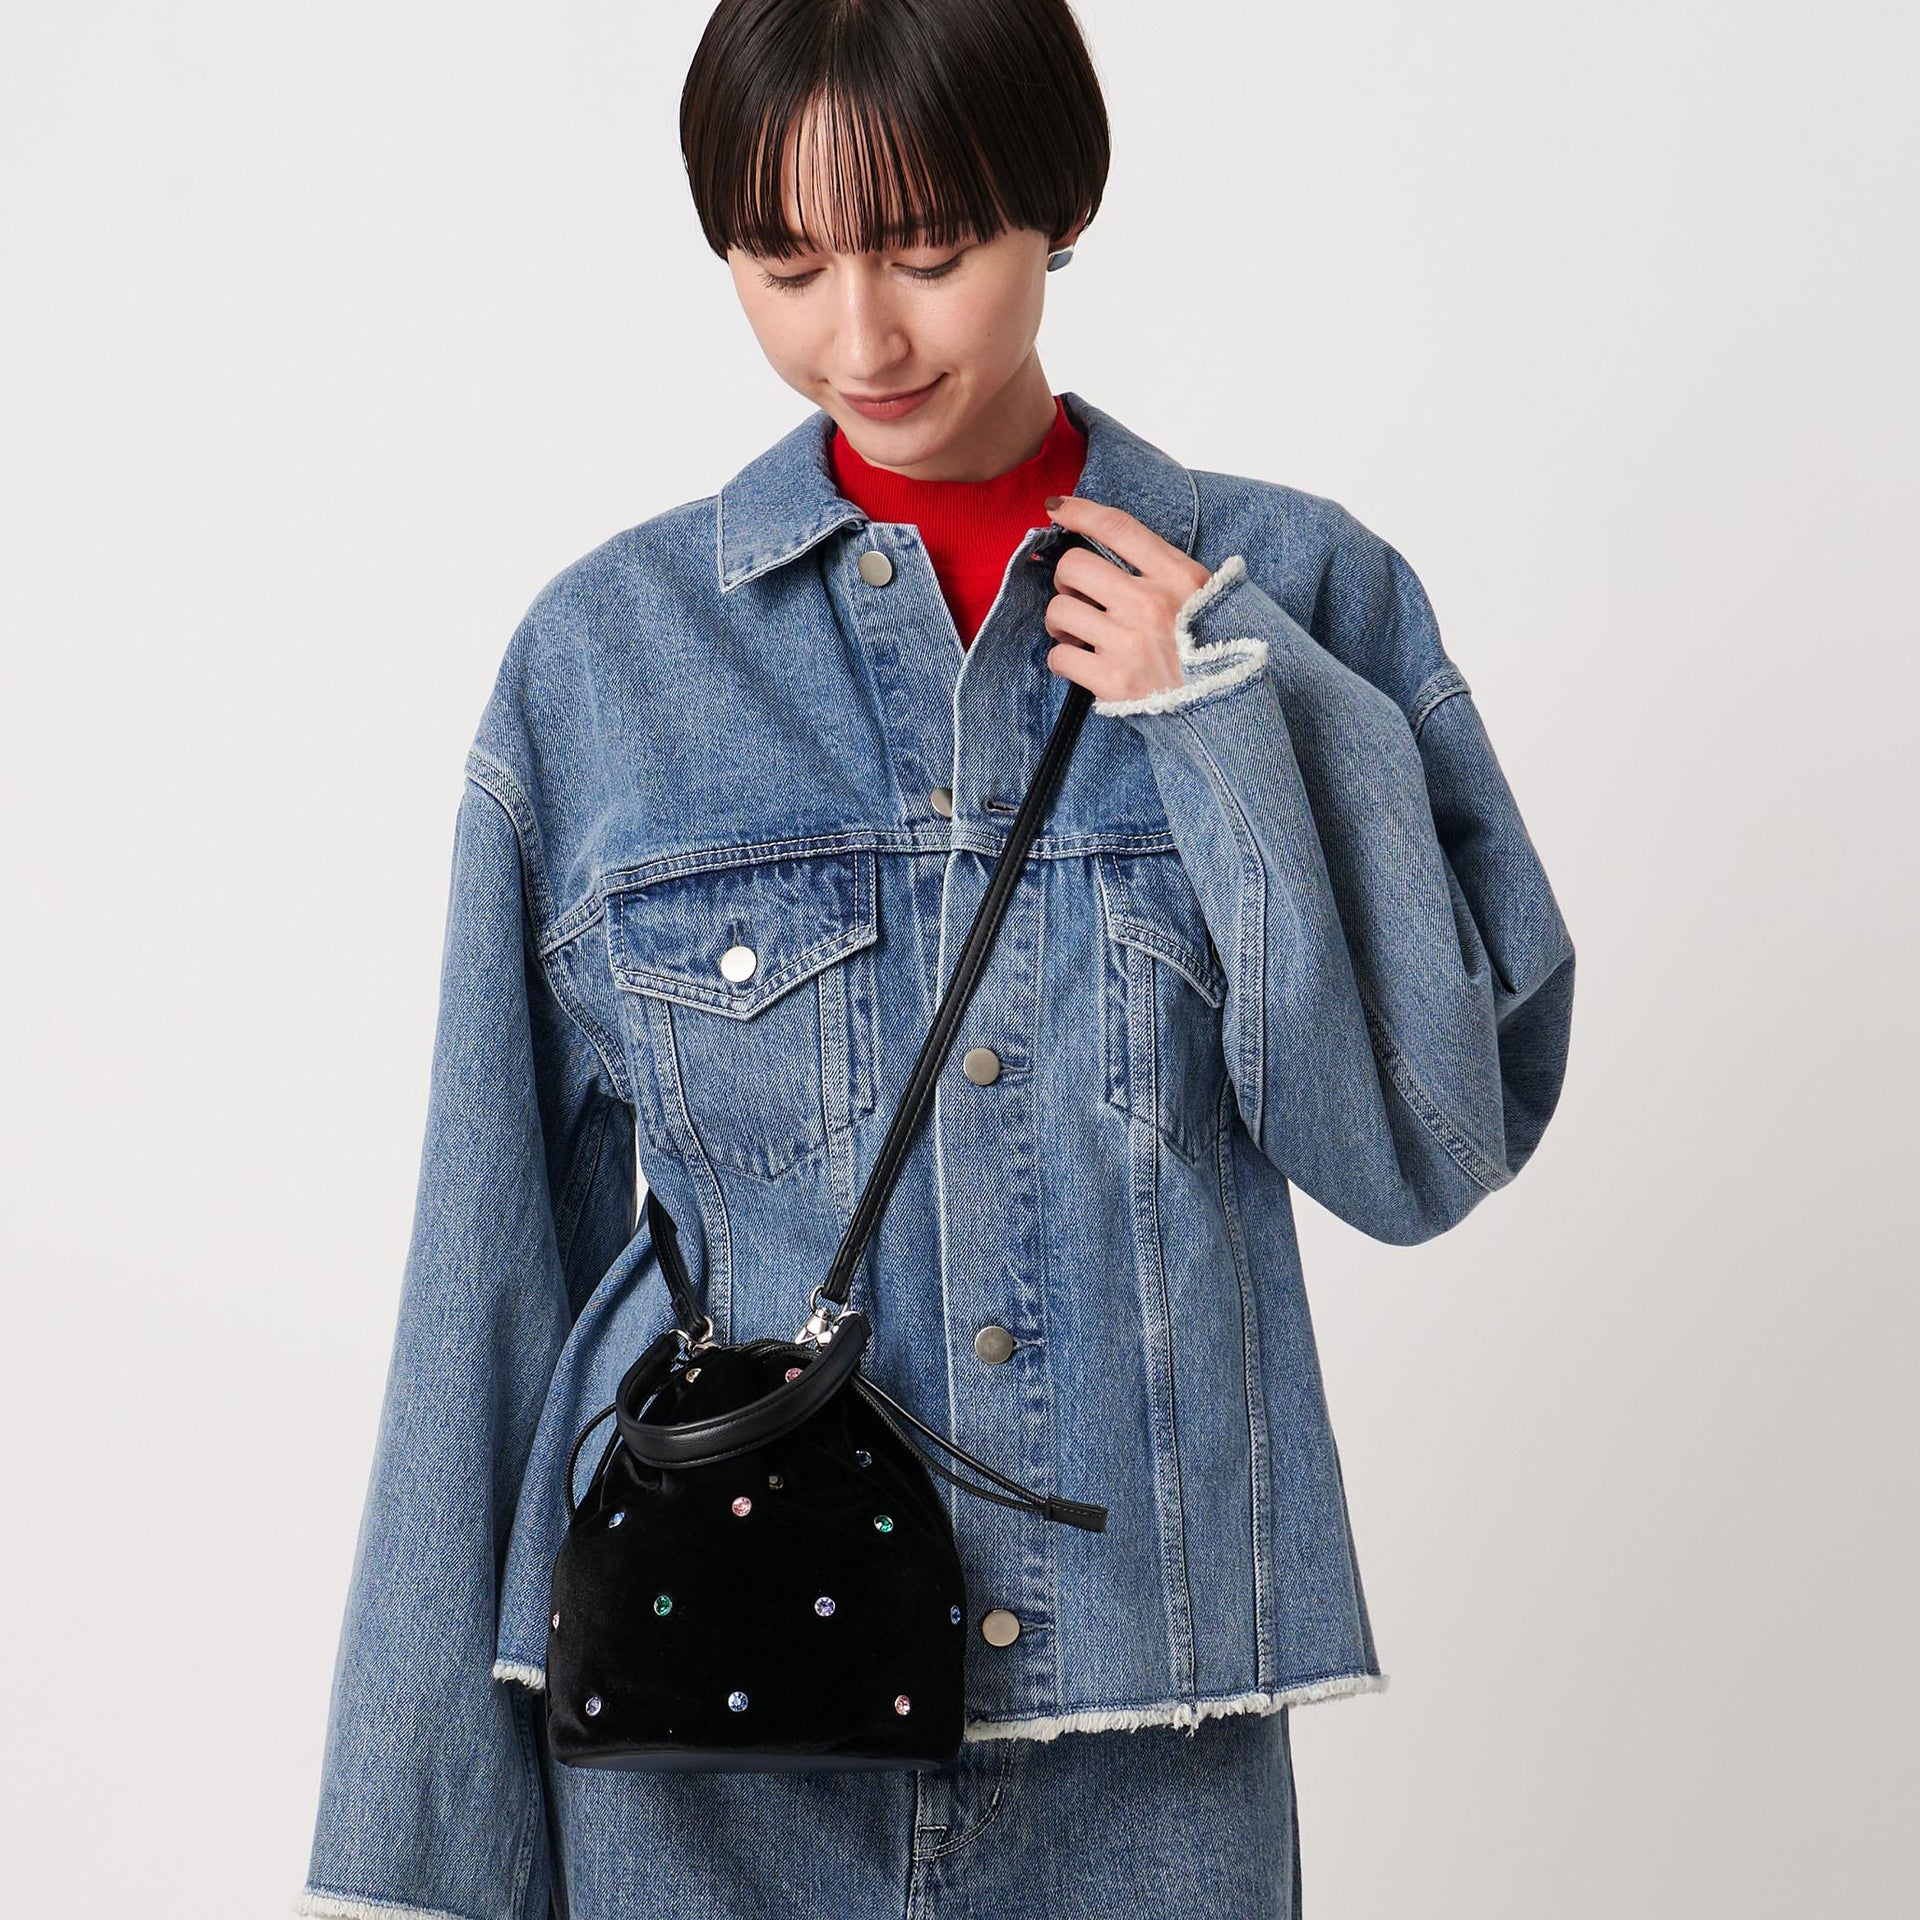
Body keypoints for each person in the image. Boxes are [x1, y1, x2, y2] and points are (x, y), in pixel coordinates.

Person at [292, 3, 1577, 1916]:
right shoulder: (604, 665)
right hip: (706, 1729)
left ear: (1062, 205)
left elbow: (1427, 1146)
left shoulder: (1306, 599)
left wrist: (1229, 721)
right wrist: (431, 1844)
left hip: (1150, 1749)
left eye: (926, 249)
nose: (862, 339)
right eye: (785, 263)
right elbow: (488, 1263)